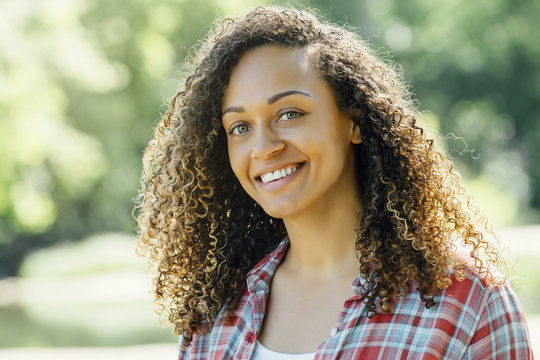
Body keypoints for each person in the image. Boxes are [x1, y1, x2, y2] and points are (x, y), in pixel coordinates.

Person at [136, 6, 533, 359]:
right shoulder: (217, 317)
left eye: (289, 114)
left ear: (354, 122)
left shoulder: (465, 301)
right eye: (239, 127)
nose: (263, 147)